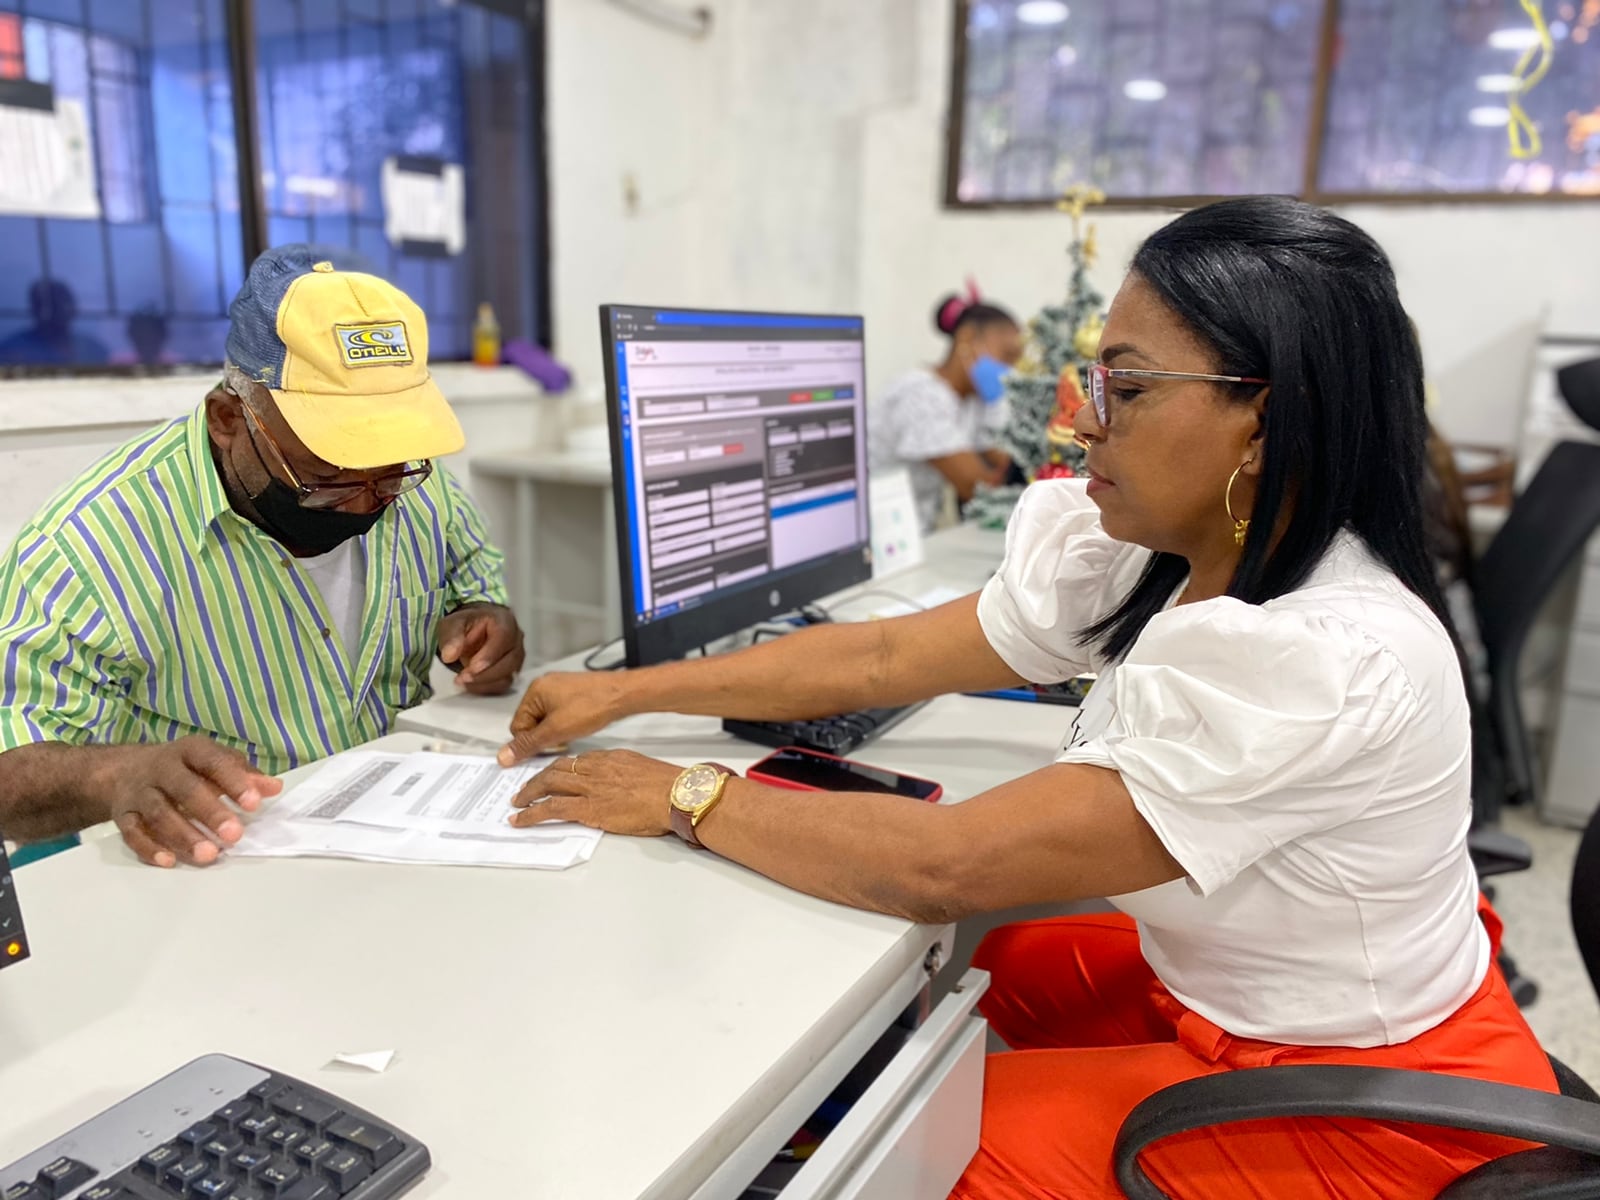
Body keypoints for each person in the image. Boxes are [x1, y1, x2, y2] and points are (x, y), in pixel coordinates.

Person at [495, 198, 1556, 1198]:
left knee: (924, 1137)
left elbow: (943, 866)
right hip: (1244, 999)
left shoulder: (1327, 656)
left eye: (1126, 391)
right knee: (994, 966)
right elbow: (881, 662)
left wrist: (688, 795)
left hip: (1365, 1103)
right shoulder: (1178, 554)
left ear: (1266, 421)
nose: (1082, 426)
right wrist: (623, 689)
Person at [0, 245, 523, 869]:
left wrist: (484, 614)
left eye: (392, 471)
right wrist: (115, 774)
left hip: (401, 837)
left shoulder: (406, 480)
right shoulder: (88, 549)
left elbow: (470, 566)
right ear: (228, 419)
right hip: (218, 869)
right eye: (329, 477)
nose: (366, 503)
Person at [868, 288, 1023, 533]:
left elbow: (1009, 461)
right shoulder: (920, 395)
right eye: (1007, 355)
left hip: (916, 535)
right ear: (967, 338)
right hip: (882, 538)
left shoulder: (972, 400)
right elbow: (978, 490)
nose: (1011, 369)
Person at [0, 279, 110, 366]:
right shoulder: (13, 351)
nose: (63, 310)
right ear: (36, 310)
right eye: (55, 305)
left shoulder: (92, 347)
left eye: (67, 304)